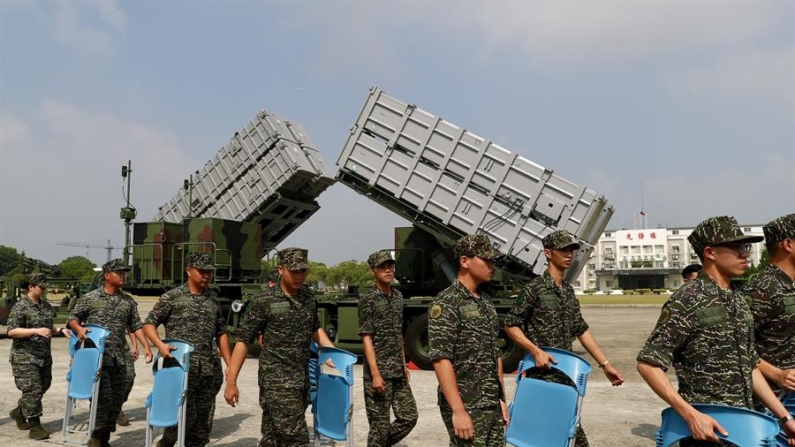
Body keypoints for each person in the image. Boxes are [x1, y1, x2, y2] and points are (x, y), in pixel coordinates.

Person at [636, 216, 795, 446]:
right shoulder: (688, 299)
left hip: (744, 426)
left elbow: (750, 366)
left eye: (745, 246)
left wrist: (784, 418)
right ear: (710, 252)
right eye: (736, 247)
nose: (745, 253)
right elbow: (648, 364)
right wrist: (690, 414)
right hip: (707, 431)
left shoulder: (737, 300)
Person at [504, 229, 624, 447]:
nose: (569, 254)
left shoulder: (568, 291)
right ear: (548, 253)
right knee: (543, 437)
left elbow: (581, 329)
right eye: (563, 250)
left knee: (570, 438)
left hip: (566, 378)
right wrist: (536, 351)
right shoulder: (535, 289)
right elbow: (511, 325)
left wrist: (605, 364)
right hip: (541, 378)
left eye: (572, 250)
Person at [224, 247, 336, 447]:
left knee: (273, 438)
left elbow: (315, 329)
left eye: (303, 271)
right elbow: (243, 341)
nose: (299, 276)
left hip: (301, 380)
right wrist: (231, 381)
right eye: (294, 271)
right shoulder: (264, 301)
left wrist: (331, 352)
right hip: (276, 382)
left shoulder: (308, 299)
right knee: (296, 439)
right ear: (281, 269)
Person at [428, 234, 509, 446]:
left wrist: (501, 399)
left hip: (490, 402)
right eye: (486, 260)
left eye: (493, 260)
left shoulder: (486, 303)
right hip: (467, 403)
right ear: (465, 261)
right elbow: (440, 359)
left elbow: (495, 353)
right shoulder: (447, 303)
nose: (492, 265)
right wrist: (458, 410)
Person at [143, 253, 232, 447]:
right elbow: (149, 324)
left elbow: (221, 333)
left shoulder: (213, 300)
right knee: (184, 414)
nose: (206, 275)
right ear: (189, 270)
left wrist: (229, 364)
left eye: (209, 272)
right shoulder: (172, 297)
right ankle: (166, 442)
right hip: (179, 367)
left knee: (203, 420)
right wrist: (160, 345)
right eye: (201, 271)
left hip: (208, 368)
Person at [67, 259, 152, 447]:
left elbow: (136, 325)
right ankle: (96, 438)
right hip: (96, 359)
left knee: (115, 403)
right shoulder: (90, 298)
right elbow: (72, 319)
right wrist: (79, 329)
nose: (123, 275)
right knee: (102, 400)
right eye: (118, 272)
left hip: (119, 359)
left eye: (124, 272)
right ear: (107, 275)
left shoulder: (127, 301)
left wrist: (145, 346)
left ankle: (103, 438)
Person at [358, 250, 418, 446]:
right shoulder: (368, 300)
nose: (387, 270)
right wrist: (375, 373)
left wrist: (404, 364)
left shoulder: (399, 297)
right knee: (379, 427)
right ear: (372, 271)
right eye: (382, 267)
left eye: (390, 266)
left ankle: (379, 443)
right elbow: (367, 338)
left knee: (409, 417)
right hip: (379, 373)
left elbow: (397, 333)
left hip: (398, 371)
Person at [7, 273, 72, 440]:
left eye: (45, 287)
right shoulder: (21, 306)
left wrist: (60, 330)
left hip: (43, 356)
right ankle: (35, 426)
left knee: (44, 385)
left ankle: (19, 412)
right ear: (31, 287)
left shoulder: (45, 306)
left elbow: (48, 327)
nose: (44, 290)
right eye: (41, 287)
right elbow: (12, 331)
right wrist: (34, 331)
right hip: (25, 356)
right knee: (33, 390)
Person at [746, 214, 795, 406]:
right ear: (788, 245)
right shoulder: (762, 289)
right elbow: (735, 345)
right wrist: (777, 374)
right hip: (772, 401)